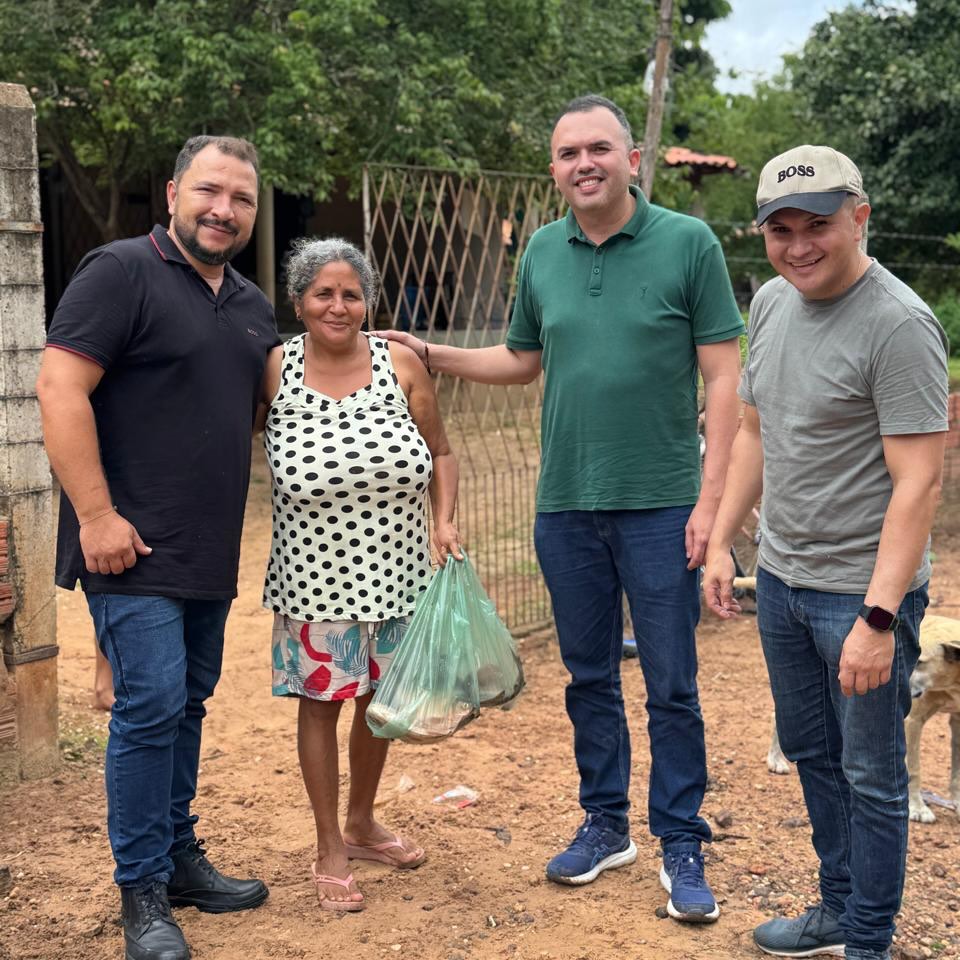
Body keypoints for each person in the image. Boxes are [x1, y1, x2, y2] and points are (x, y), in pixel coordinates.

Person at [380, 94, 744, 922]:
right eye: (568, 152)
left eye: (599, 149)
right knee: (586, 676)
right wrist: (429, 352)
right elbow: (521, 358)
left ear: (631, 160)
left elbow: (724, 377)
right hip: (566, 505)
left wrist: (711, 502)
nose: (584, 163)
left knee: (672, 682)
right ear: (554, 168)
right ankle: (605, 823)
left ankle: (681, 837)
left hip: (662, 505)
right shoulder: (542, 251)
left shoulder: (689, 245)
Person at [703, 145, 949, 960]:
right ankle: (839, 907)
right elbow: (754, 430)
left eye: (820, 225)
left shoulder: (900, 324)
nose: (800, 245)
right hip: (780, 579)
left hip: (859, 593)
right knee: (810, 749)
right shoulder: (771, 302)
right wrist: (721, 542)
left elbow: (918, 483)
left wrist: (879, 617)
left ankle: (869, 943)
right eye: (782, 229)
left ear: (860, 217)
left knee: (873, 775)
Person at [36, 135, 278, 960]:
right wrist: (95, 514)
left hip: (207, 547)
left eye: (241, 199)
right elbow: (60, 386)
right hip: (127, 545)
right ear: (174, 191)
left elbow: (251, 413)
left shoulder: (251, 303)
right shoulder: (118, 271)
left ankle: (177, 858)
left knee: (187, 704)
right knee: (150, 707)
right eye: (210, 191)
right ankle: (140, 890)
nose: (224, 210)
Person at [259, 237, 461, 911]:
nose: (338, 306)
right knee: (321, 704)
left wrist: (444, 521)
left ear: (366, 301)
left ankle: (363, 821)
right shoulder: (275, 369)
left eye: (350, 294)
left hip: (398, 571)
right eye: (323, 293)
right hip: (313, 578)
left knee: (378, 703)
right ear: (299, 301)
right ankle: (329, 845)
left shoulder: (399, 362)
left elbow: (441, 451)